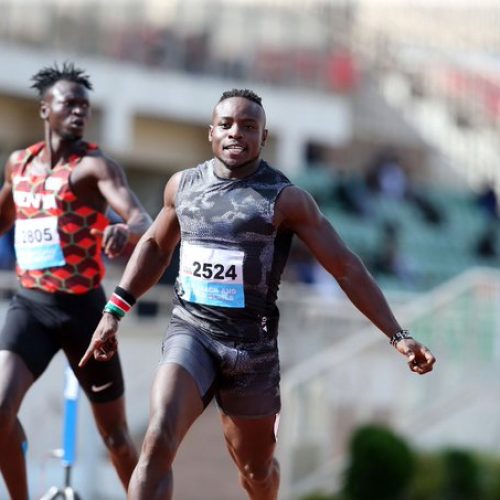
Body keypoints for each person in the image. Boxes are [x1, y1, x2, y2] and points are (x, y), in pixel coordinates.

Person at [80, 89, 436, 500]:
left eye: (249, 126)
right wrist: (114, 310)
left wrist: (398, 335)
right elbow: (157, 247)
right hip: (191, 333)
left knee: (256, 471)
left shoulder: (286, 200)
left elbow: (345, 267)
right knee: (158, 437)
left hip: (252, 352)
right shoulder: (183, 186)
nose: (237, 133)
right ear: (211, 131)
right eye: (227, 124)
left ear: (264, 138)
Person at [0, 62, 152, 499]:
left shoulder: (94, 168)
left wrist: (126, 230)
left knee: (116, 438)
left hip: (84, 312)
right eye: (69, 104)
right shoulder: (19, 164)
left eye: (85, 106)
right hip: (30, 306)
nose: (79, 112)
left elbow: (141, 217)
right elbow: (3, 218)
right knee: (0, 411)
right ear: (45, 109)